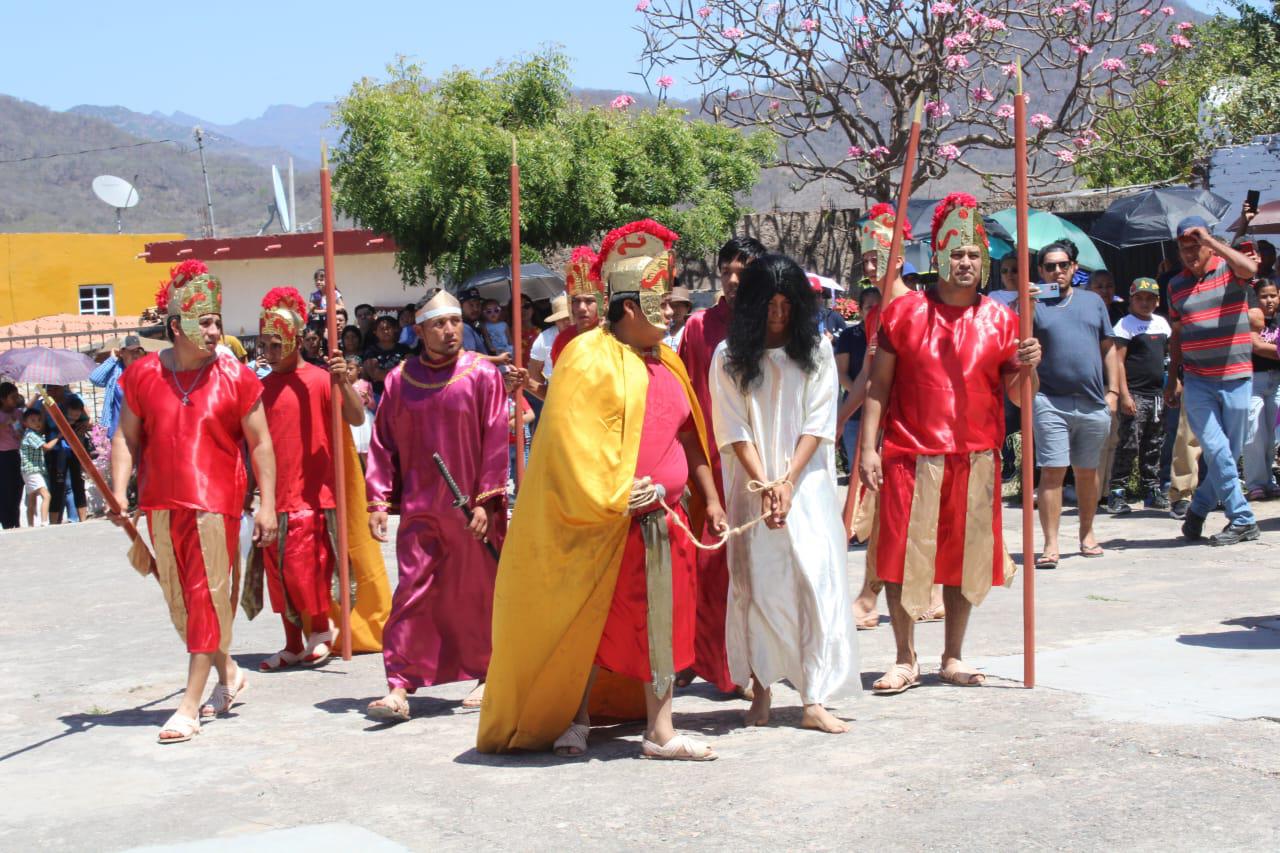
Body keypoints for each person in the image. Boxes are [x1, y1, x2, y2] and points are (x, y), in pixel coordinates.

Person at [480, 219, 724, 761]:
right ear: (630, 307)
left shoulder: (672, 363)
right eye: (660, 302)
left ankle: (660, 729)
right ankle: (576, 716)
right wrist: (616, 494)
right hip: (603, 525)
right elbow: (569, 443)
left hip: (667, 520)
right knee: (591, 622)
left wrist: (710, 496)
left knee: (661, 622)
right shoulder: (587, 356)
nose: (671, 312)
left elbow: (690, 434)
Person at [858, 192, 1041, 693]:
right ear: (938, 256)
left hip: (975, 457)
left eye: (973, 255)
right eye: (956, 253)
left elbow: (1021, 399)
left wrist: (1029, 365)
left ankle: (953, 655)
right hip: (908, 455)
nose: (965, 262)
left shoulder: (1004, 321)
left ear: (984, 262)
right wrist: (868, 447)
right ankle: (903, 657)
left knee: (964, 560)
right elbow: (878, 385)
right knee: (898, 557)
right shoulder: (903, 314)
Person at [110, 259, 277, 744]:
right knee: (179, 603)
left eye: (217, 321)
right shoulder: (142, 376)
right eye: (204, 321)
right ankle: (229, 673)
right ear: (176, 325)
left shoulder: (237, 376)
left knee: (206, 598)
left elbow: (261, 443)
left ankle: (189, 706)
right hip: (161, 504)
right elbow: (127, 437)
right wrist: (120, 491)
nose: (214, 330)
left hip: (215, 504)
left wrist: (266, 504)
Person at [711, 253, 859, 733]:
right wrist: (766, 485)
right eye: (768, 304)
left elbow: (819, 422)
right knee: (758, 587)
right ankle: (762, 691)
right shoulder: (728, 357)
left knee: (814, 581)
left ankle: (813, 697)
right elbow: (733, 428)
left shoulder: (815, 350)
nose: (777, 313)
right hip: (752, 484)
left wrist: (789, 482)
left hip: (807, 483)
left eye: (785, 303)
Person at [364, 289, 511, 722]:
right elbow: (382, 443)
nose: (450, 331)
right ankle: (398, 685)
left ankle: (490, 674)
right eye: (439, 325)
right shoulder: (400, 380)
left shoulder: (482, 373)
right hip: (422, 507)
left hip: (473, 510)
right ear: (421, 331)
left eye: (454, 323)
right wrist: (378, 498)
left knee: (478, 593)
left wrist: (487, 498)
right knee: (412, 591)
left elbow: (495, 436)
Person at [250, 287, 366, 671]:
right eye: (264, 344)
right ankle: (290, 642)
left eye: (277, 343)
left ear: (296, 341)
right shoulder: (260, 389)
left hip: (313, 493)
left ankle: (320, 632)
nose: (270, 351)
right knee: (278, 572)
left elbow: (356, 418)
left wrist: (343, 382)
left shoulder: (319, 380)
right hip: (273, 495)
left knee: (307, 569)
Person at [677, 234, 768, 695]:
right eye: (726, 271)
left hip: (762, 464)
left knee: (758, 565)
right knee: (713, 567)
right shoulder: (697, 328)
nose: (733, 281)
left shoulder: (774, 324)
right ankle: (721, 663)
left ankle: (757, 659)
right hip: (711, 462)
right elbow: (684, 398)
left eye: (742, 271)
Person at [1166, 217, 1262, 545]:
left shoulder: (1228, 269)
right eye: (1184, 248)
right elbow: (1177, 335)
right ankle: (1244, 519)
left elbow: (1249, 267)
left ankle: (1198, 510)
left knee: (1226, 455)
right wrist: (1172, 379)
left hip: (1236, 377)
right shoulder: (1175, 285)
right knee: (1217, 449)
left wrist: (1213, 239)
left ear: (1208, 244)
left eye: (1196, 246)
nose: (1190, 254)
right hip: (1197, 380)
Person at [1029, 240, 1119, 567]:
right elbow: (1015, 337)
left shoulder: (1093, 301)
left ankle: (1087, 534)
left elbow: (1108, 347)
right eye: (1049, 266)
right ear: (1040, 270)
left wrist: (1114, 393)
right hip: (1050, 400)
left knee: (1087, 471)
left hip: (1094, 401)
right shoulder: (1033, 302)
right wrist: (1024, 303)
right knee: (1052, 470)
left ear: (1074, 268)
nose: (1057, 271)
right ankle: (1050, 545)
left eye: (1063, 265)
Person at [1107, 279, 1172, 513]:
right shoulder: (1125, 325)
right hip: (1135, 394)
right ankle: (1117, 492)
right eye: (1139, 298)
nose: (1145, 303)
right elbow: (1118, 362)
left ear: (1157, 301)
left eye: (1150, 298)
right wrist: (1124, 395)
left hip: (1157, 395)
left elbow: (1168, 356)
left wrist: (1173, 384)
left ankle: (1151, 490)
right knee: (1129, 444)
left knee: (1154, 444)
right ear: (1131, 300)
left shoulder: (1162, 324)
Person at [835, 285, 882, 465]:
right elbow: (841, 373)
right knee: (858, 468)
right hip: (855, 414)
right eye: (870, 307)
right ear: (861, 311)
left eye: (879, 306)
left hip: (881, 413)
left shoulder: (886, 332)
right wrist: (863, 394)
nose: (875, 311)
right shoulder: (849, 336)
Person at [1245, 278, 1280, 499]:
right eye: (1263, 296)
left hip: (1277, 380)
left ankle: (1271, 479)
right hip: (1253, 381)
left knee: (1274, 435)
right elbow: (1255, 346)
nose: (1269, 301)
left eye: (1273, 295)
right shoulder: (1251, 320)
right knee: (1254, 432)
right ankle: (1256, 483)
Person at [33, 385, 87, 525]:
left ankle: (83, 519)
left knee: (77, 482)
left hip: (74, 448)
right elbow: (42, 429)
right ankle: (54, 521)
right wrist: (44, 412)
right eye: (49, 389)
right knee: (57, 484)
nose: (52, 392)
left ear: (61, 387)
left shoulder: (73, 399)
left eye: (55, 388)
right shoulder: (44, 404)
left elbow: (87, 419)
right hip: (55, 449)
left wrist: (84, 423)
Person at [550, 248, 606, 366]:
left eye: (589, 301)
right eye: (576, 301)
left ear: (602, 303)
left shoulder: (614, 335)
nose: (581, 308)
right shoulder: (562, 339)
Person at [89, 336, 147, 438]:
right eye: (131, 351)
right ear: (122, 353)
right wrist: (112, 358)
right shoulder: (116, 369)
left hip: (140, 431)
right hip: (117, 431)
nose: (135, 355)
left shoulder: (145, 370)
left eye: (137, 351)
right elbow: (95, 378)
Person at [525, 294, 571, 401]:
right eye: (561, 318)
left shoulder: (584, 335)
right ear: (555, 320)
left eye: (569, 317)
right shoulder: (544, 338)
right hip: (555, 392)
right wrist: (547, 395)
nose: (566, 322)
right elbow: (534, 371)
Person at [362, 315, 413, 400]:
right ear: (375, 332)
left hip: (401, 396)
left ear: (394, 329)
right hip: (377, 396)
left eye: (388, 328)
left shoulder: (405, 349)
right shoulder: (370, 351)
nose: (385, 331)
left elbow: (410, 371)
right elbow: (375, 374)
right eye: (381, 329)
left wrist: (384, 373)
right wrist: (399, 370)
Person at [20, 408, 56, 527]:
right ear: (25, 423)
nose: (37, 423)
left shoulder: (32, 434)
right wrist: (59, 436)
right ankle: (44, 522)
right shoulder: (31, 435)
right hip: (32, 471)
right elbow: (46, 447)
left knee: (32, 499)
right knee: (46, 495)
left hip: (28, 471)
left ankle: (30, 525)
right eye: (33, 420)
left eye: (39, 420)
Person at [1, 382, 25, 529]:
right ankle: (7, 521)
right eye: (12, 397)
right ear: (3, 399)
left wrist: (19, 429)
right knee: (5, 490)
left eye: (17, 396)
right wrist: (5, 424)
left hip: (15, 454)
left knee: (17, 486)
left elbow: (23, 433)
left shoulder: (18, 413)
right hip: (2, 456)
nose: (16, 400)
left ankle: (15, 520)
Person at [665, 285, 694, 350]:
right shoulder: (663, 330)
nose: (674, 310)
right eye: (672, 306)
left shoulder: (691, 331)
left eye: (678, 306)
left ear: (687, 308)